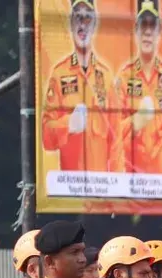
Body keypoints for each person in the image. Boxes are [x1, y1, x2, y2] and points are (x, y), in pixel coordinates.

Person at [41, 0, 122, 172]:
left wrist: (117, 183)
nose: (82, 24)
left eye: (87, 18)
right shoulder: (59, 74)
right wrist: (68, 124)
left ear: (95, 24)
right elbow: (46, 137)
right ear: (70, 24)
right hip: (70, 184)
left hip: (100, 184)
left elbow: (117, 140)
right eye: (77, 17)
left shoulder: (106, 76)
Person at [114, 0, 162, 175]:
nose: (147, 31)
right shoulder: (124, 78)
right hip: (131, 182)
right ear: (136, 31)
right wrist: (136, 121)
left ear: (159, 31)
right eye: (143, 25)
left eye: (152, 25)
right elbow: (113, 134)